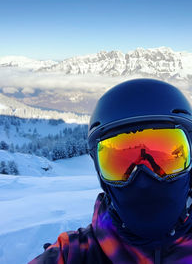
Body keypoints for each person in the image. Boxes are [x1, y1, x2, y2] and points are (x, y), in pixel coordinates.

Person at [28, 79, 192, 264]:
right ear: (100, 175)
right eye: (119, 162)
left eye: (165, 156)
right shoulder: (73, 255)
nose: (143, 177)